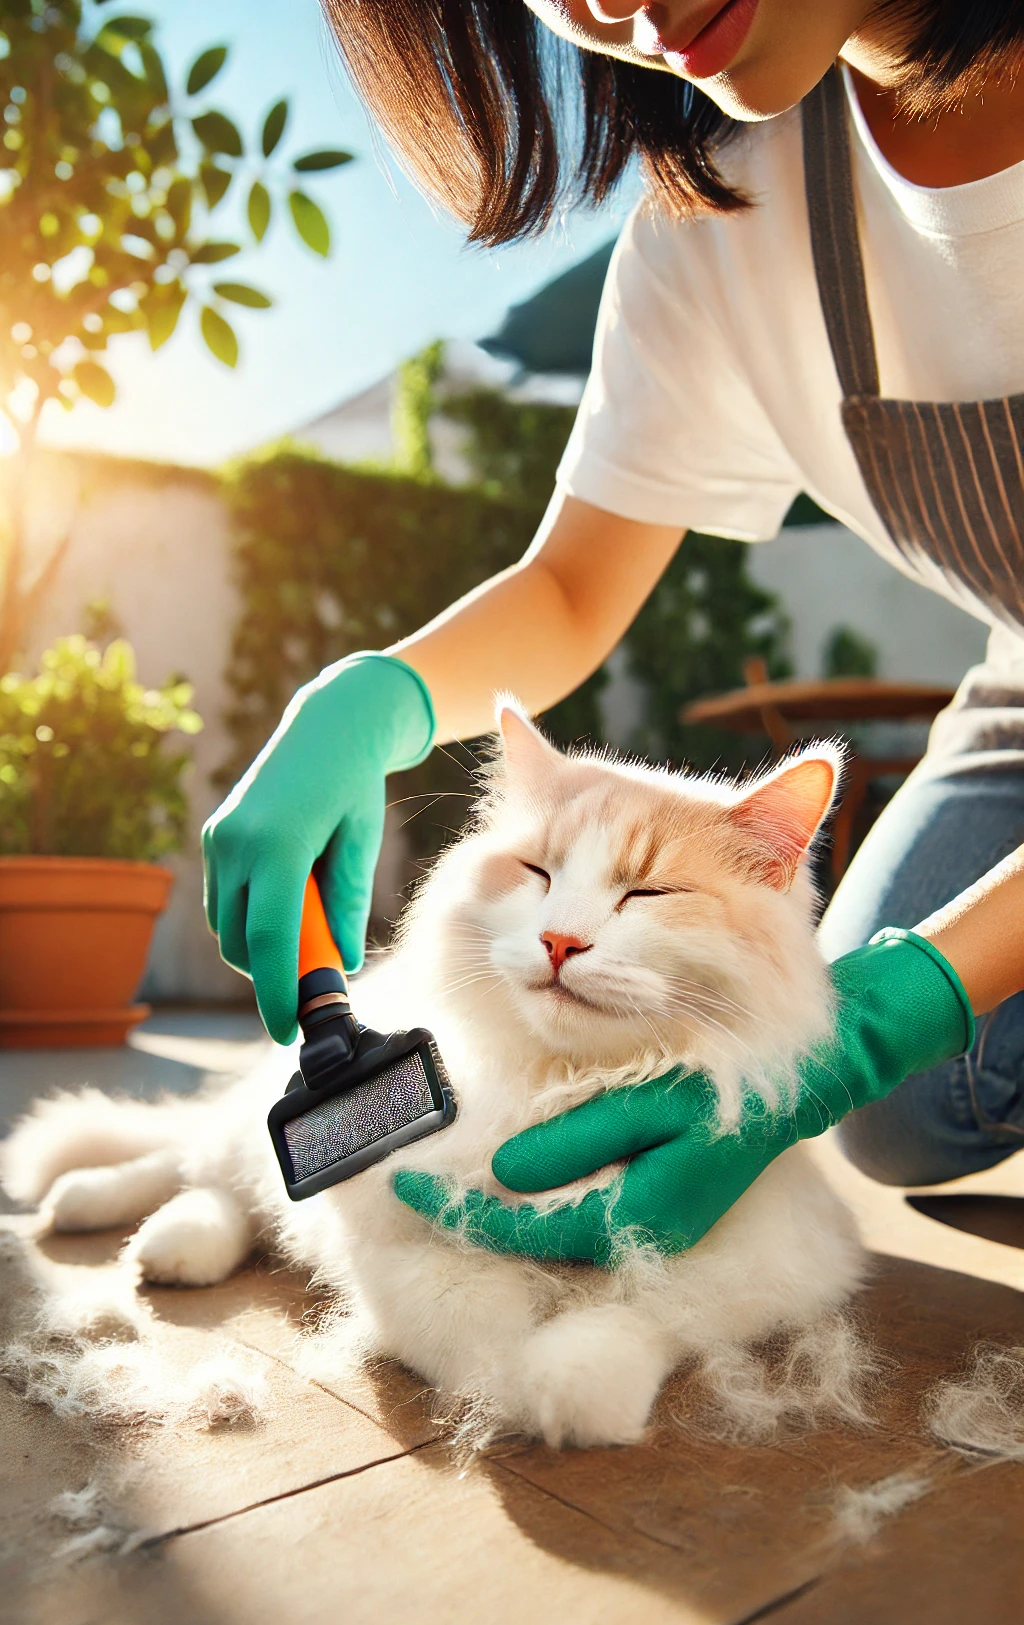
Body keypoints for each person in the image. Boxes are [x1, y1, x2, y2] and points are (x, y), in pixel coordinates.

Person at [203, 1, 1024, 1258]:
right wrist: (379, 694)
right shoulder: (726, 226)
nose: (606, 5)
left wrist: (893, 1005)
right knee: (908, 1106)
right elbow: (576, 587)